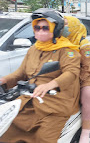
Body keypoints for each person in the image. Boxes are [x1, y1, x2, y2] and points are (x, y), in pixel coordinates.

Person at [0, 8, 81, 142]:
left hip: (55, 105)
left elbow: (71, 73)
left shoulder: (67, 50)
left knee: (43, 139)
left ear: (55, 29)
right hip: (30, 100)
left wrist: (50, 84)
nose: (40, 31)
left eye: (45, 28)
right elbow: (21, 73)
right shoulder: (34, 49)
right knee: (6, 129)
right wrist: (3, 80)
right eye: (37, 27)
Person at [63, 16, 90, 143]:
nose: (63, 28)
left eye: (65, 25)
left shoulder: (85, 45)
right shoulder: (58, 42)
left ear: (73, 27)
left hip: (88, 74)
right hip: (67, 74)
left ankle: (85, 133)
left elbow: (86, 67)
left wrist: (73, 81)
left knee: (89, 93)